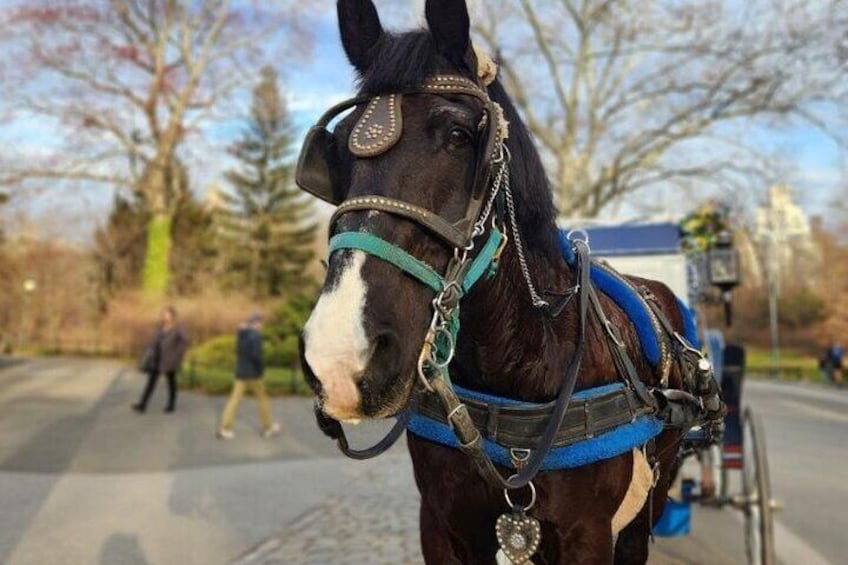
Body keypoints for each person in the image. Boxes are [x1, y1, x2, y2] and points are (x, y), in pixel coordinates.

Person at [216, 313, 280, 439]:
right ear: (256, 322)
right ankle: (268, 428)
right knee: (262, 400)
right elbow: (256, 355)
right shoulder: (255, 335)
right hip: (253, 374)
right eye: (261, 323)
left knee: (234, 400)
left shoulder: (241, 334)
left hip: (241, 372)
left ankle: (224, 428)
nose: (262, 326)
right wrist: (261, 369)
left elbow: (239, 352)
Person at [132, 306, 189, 413]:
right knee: (151, 382)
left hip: (170, 359)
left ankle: (171, 404)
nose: (164, 316)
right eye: (163, 314)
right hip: (157, 358)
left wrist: (177, 354)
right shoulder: (160, 327)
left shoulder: (178, 328)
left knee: (171, 381)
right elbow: (154, 340)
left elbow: (185, 342)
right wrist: (148, 350)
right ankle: (142, 404)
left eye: (167, 314)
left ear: (173, 315)